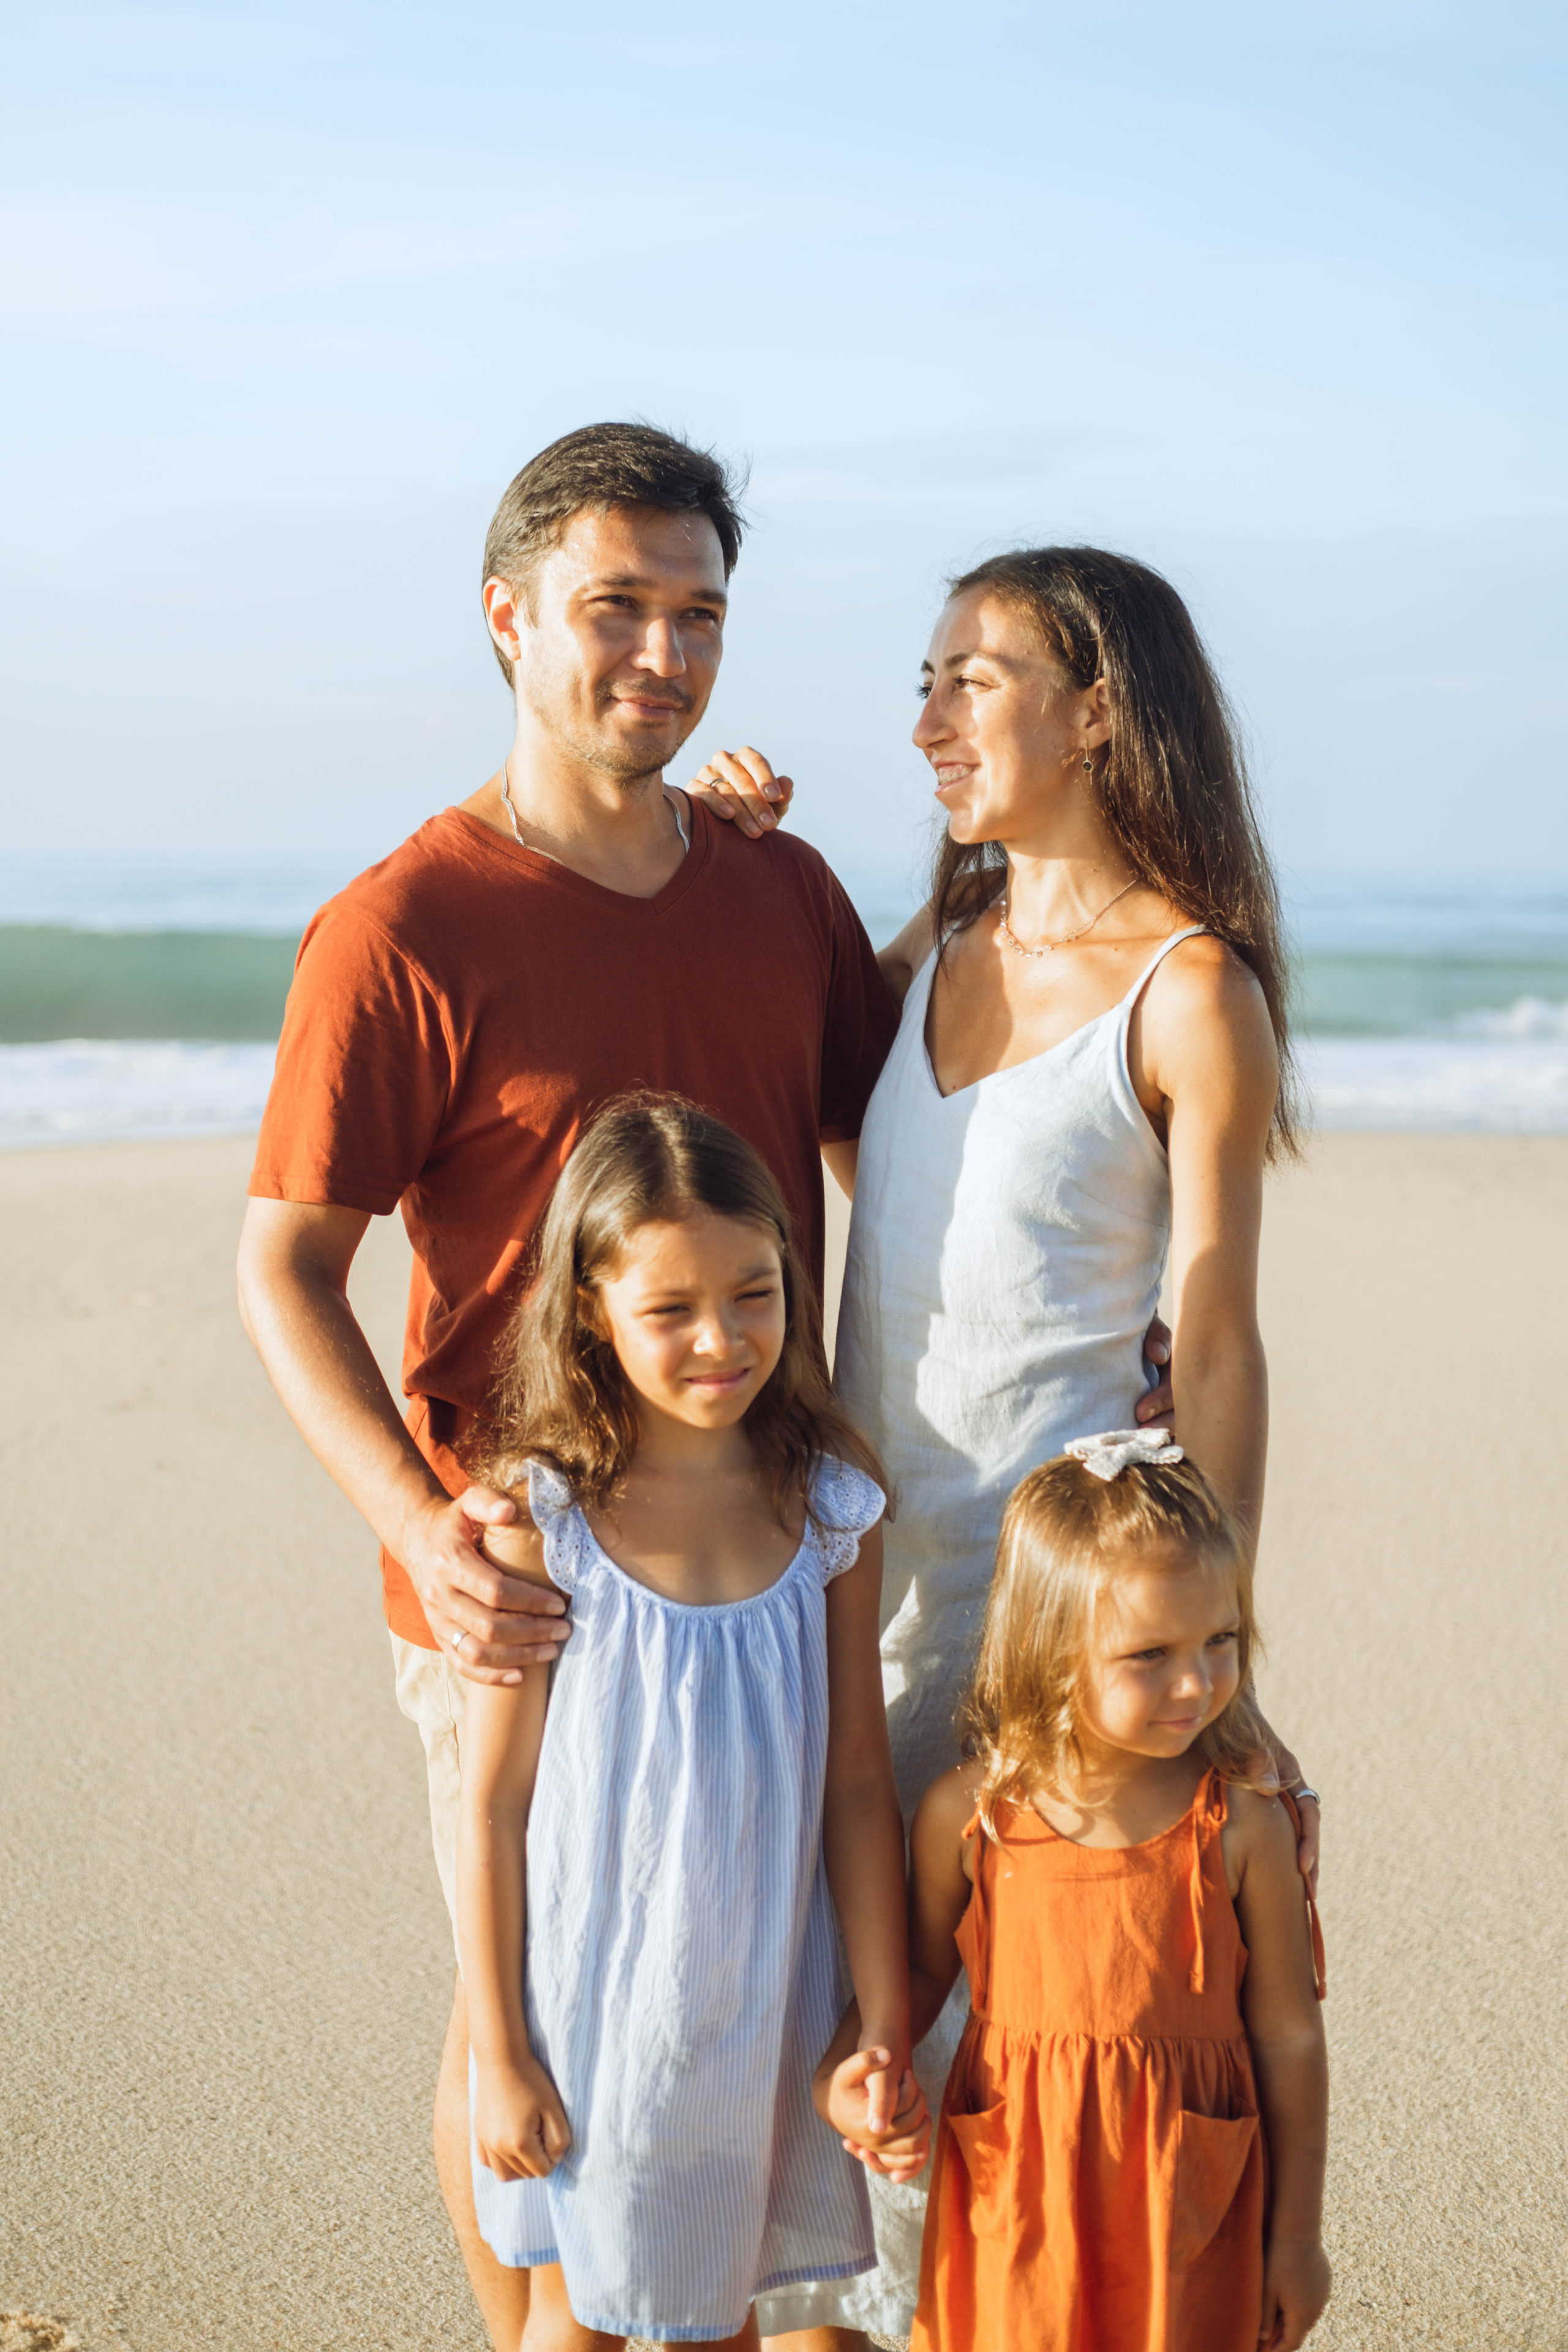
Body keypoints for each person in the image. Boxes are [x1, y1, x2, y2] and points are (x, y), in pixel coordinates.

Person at [234, 423, 913, 2351]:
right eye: (616, 608)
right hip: (520, 1585)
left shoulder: (775, 890)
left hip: (774, 1557)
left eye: (699, 614)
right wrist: (418, 1530)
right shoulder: (403, 929)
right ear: (508, 617)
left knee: (745, 1983)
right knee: (523, 2005)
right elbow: (285, 1270)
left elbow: (903, 1139)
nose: (666, 655)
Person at [691, 545, 1319, 2346]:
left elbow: (1216, 1328)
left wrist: (1222, 1641)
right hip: (841, 1565)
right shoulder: (934, 947)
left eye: (974, 678)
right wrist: (742, 855)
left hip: (1035, 1608)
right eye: (929, 676)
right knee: (832, 2038)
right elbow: (882, 1174)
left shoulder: (1193, 993)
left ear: (1101, 710)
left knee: (976, 2072)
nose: (927, 720)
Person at [454, 1095, 924, 2350]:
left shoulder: (831, 1510)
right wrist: (496, 2052)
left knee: (718, 2314)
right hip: (593, 2002)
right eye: (668, 1309)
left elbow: (858, 1790)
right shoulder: (542, 1520)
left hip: (761, 1997)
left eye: (754, 1292)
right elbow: (492, 1808)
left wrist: (879, 2020)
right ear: (591, 1309)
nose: (720, 1339)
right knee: (577, 2318)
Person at [902, 1434, 1330, 2352]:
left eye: (1222, 1640)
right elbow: (913, 1982)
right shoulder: (972, 1818)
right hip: (1020, 2204)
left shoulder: (1241, 1827)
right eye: (1150, 1654)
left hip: (1189, 2208)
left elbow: (1289, 2032)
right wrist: (864, 2062)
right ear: (1050, 1652)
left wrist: (1296, 2237)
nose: (1198, 1682)